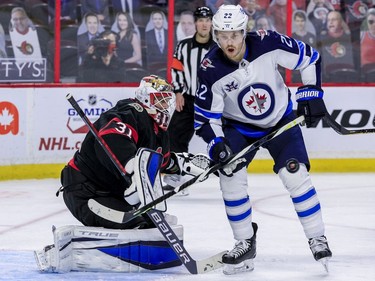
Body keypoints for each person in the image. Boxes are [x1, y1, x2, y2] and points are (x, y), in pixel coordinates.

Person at [194, 4, 332, 274]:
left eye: (234, 34)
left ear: (244, 31)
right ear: (216, 35)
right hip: (239, 128)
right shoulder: (210, 67)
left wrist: (312, 94)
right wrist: (216, 143)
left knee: (295, 173)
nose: (229, 42)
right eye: (222, 35)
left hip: (281, 119)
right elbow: (204, 118)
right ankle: (244, 242)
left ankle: (317, 237)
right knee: (230, 175)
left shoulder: (268, 42)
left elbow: (310, 59)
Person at [60, 75, 184, 229]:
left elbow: (160, 161)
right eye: (160, 100)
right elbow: (112, 137)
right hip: (86, 191)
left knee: (154, 222)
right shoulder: (131, 111)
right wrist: (133, 169)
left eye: (166, 101)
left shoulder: (159, 130)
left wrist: (181, 165)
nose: (165, 106)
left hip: (113, 192)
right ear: (146, 98)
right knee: (136, 223)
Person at [166, 6, 214, 195]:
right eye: (201, 20)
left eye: (207, 20)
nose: (204, 23)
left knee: (220, 135)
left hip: (212, 101)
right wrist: (177, 92)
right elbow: (176, 69)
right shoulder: (183, 46)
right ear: (195, 23)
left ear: (211, 23)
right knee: (174, 135)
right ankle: (176, 176)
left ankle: (229, 173)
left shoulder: (218, 47)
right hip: (187, 99)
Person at [318, 10, 356, 82]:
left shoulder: (348, 36)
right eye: (328, 20)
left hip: (348, 76)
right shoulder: (322, 37)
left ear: (341, 22)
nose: (331, 22)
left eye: (334, 19)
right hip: (329, 78)